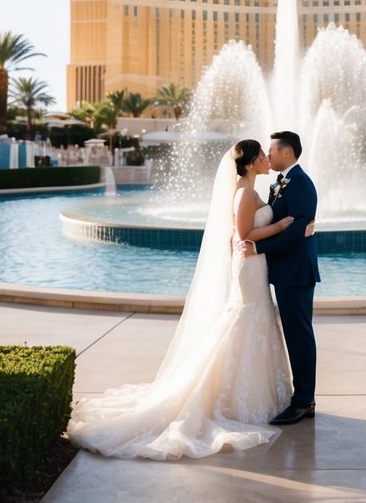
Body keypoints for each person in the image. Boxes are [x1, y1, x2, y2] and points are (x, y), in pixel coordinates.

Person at [68, 139, 298, 460]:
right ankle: (225, 396)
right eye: (259, 154)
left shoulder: (249, 190)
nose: (265, 158)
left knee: (252, 320)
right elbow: (242, 235)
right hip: (249, 265)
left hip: (254, 265)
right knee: (244, 319)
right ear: (248, 164)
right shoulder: (245, 194)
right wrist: (279, 226)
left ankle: (251, 394)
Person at [243, 130, 320, 425]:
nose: (268, 156)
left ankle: (303, 401)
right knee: (293, 334)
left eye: (272, 151)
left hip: (297, 272)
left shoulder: (300, 182)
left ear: (286, 153)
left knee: (299, 336)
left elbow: (298, 232)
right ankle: (303, 396)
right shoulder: (281, 183)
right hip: (285, 271)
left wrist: (258, 247)